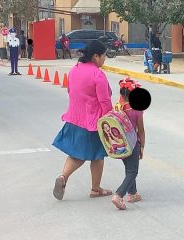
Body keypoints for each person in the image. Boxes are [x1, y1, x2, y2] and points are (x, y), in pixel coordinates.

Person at [52, 40, 113, 201]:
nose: (105, 59)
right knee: (97, 156)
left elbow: (70, 91)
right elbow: (105, 101)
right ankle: (95, 189)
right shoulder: (98, 74)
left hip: (74, 117)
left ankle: (63, 177)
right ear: (95, 56)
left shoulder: (75, 70)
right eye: (104, 56)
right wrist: (110, 121)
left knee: (76, 153)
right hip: (92, 121)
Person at [111, 77, 146, 210]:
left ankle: (132, 193)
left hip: (120, 144)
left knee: (129, 168)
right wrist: (142, 146)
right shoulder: (137, 109)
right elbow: (141, 130)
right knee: (133, 171)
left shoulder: (117, 107)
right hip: (132, 143)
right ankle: (119, 195)